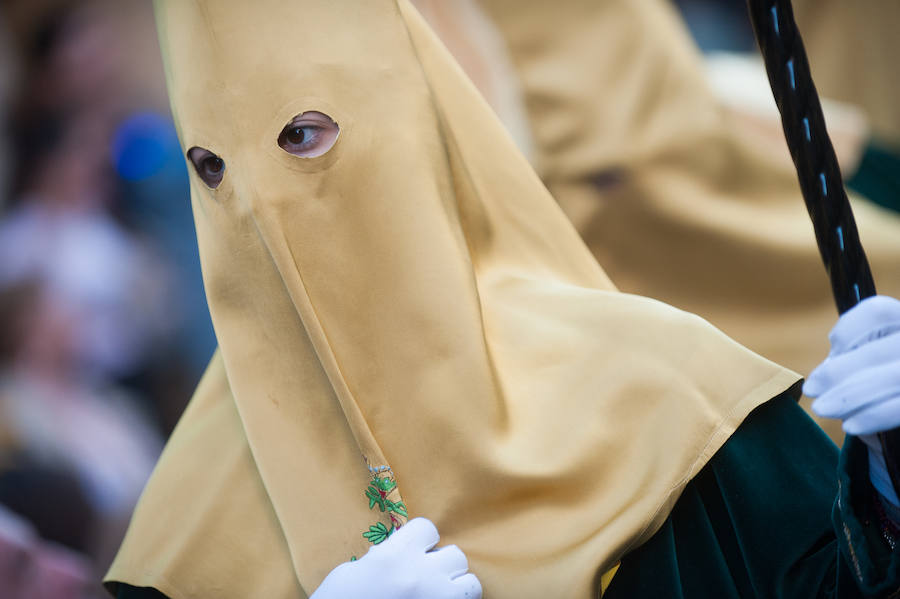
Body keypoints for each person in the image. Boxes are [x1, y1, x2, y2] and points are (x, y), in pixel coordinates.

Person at [106, 1, 900, 597]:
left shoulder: (661, 389)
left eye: (303, 138)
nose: (257, 206)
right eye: (213, 169)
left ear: (408, 130)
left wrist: (892, 479)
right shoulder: (184, 530)